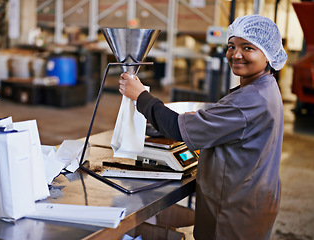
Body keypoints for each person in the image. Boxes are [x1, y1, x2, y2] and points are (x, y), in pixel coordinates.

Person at [118, 15, 287, 240]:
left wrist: (141, 96)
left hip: (235, 212)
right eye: (231, 46)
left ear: (268, 54)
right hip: (253, 199)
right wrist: (204, 119)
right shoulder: (265, 87)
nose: (236, 54)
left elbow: (177, 130)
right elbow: (236, 125)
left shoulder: (250, 100)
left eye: (248, 48)